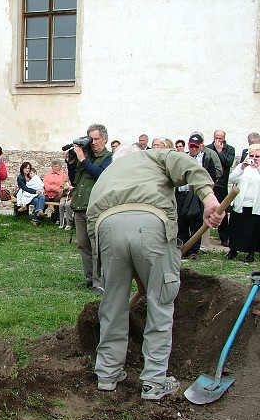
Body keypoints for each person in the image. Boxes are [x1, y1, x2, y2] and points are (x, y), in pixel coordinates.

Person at [86, 144, 223, 400]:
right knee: (159, 302)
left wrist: (101, 266)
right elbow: (188, 165)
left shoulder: (108, 173)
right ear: (138, 152)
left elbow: (91, 220)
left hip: (107, 227)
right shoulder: (153, 155)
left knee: (113, 303)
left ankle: (107, 373)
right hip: (151, 222)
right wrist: (209, 199)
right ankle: (153, 382)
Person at [67, 124, 112, 296]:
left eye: (96, 139)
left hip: (97, 208)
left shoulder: (109, 158)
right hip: (80, 206)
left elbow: (101, 175)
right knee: (83, 244)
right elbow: (74, 180)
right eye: (90, 139)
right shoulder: (85, 157)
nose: (93, 143)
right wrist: (72, 162)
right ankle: (89, 277)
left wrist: (83, 160)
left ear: (105, 139)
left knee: (97, 247)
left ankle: (100, 282)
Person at [176, 133, 217, 259]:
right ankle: (182, 248)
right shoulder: (183, 158)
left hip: (196, 195)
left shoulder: (206, 158)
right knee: (181, 221)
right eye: (191, 146)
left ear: (201, 146)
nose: (193, 149)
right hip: (183, 193)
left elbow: (213, 176)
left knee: (196, 221)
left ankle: (193, 250)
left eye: (196, 146)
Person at [226, 144, 260, 263]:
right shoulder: (243, 167)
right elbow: (232, 179)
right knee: (236, 228)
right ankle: (233, 250)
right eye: (252, 155)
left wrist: (258, 167)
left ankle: (250, 253)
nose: (254, 158)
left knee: (252, 230)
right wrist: (242, 166)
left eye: (257, 156)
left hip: (254, 206)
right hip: (240, 204)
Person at [206, 130, 235, 247]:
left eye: (220, 138)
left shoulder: (230, 149)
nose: (218, 140)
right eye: (216, 138)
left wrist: (219, 151)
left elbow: (228, 163)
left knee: (221, 210)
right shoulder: (208, 148)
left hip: (222, 184)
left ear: (224, 138)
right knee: (207, 210)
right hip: (210, 183)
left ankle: (224, 238)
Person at [43, 160, 66, 224]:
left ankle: (57, 217)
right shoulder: (48, 174)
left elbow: (63, 185)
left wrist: (56, 189)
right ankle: (39, 214)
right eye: (53, 166)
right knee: (43, 199)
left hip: (58, 194)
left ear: (60, 167)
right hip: (48, 193)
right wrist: (50, 188)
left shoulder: (63, 175)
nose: (55, 168)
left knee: (57, 199)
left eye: (56, 166)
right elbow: (45, 183)